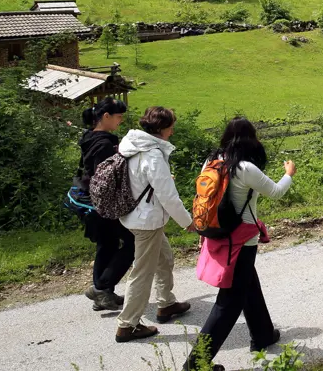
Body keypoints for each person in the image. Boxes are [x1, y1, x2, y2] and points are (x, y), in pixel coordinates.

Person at [185, 118, 294, 370]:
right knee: (229, 302)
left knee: (248, 285)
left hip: (216, 232)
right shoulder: (244, 168)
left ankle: (263, 335)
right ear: (250, 139)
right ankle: (196, 363)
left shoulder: (211, 162)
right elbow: (276, 191)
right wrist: (289, 174)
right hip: (242, 239)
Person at [115, 107, 194, 343]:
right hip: (146, 220)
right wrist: (188, 222)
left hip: (136, 215)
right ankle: (127, 325)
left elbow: (140, 180)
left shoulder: (132, 145)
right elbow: (168, 196)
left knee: (164, 258)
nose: (172, 130)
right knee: (142, 272)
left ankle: (166, 304)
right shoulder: (152, 154)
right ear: (161, 128)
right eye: (171, 126)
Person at [77, 97, 132, 312]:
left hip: (90, 202)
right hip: (102, 204)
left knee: (106, 244)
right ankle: (101, 287)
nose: (120, 121)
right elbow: (108, 178)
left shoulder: (89, 138)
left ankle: (104, 295)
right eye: (118, 117)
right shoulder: (104, 145)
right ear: (106, 116)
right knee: (133, 242)